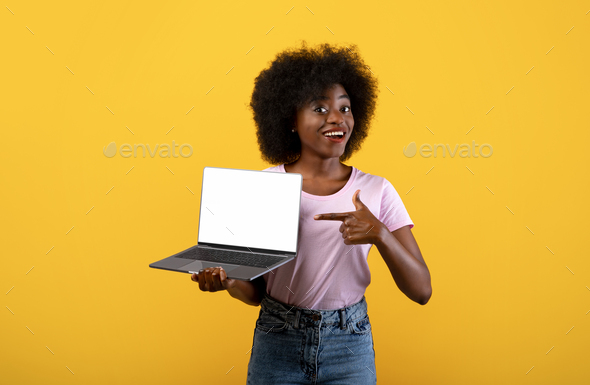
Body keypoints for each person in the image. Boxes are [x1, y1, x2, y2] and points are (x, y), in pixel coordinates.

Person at [191, 41, 432, 384]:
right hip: (278, 338)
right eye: (319, 109)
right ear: (290, 119)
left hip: (349, 342)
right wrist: (229, 280)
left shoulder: (378, 190)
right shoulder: (263, 187)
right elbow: (256, 293)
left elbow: (422, 290)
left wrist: (379, 233)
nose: (337, 118)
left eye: (345, 108)